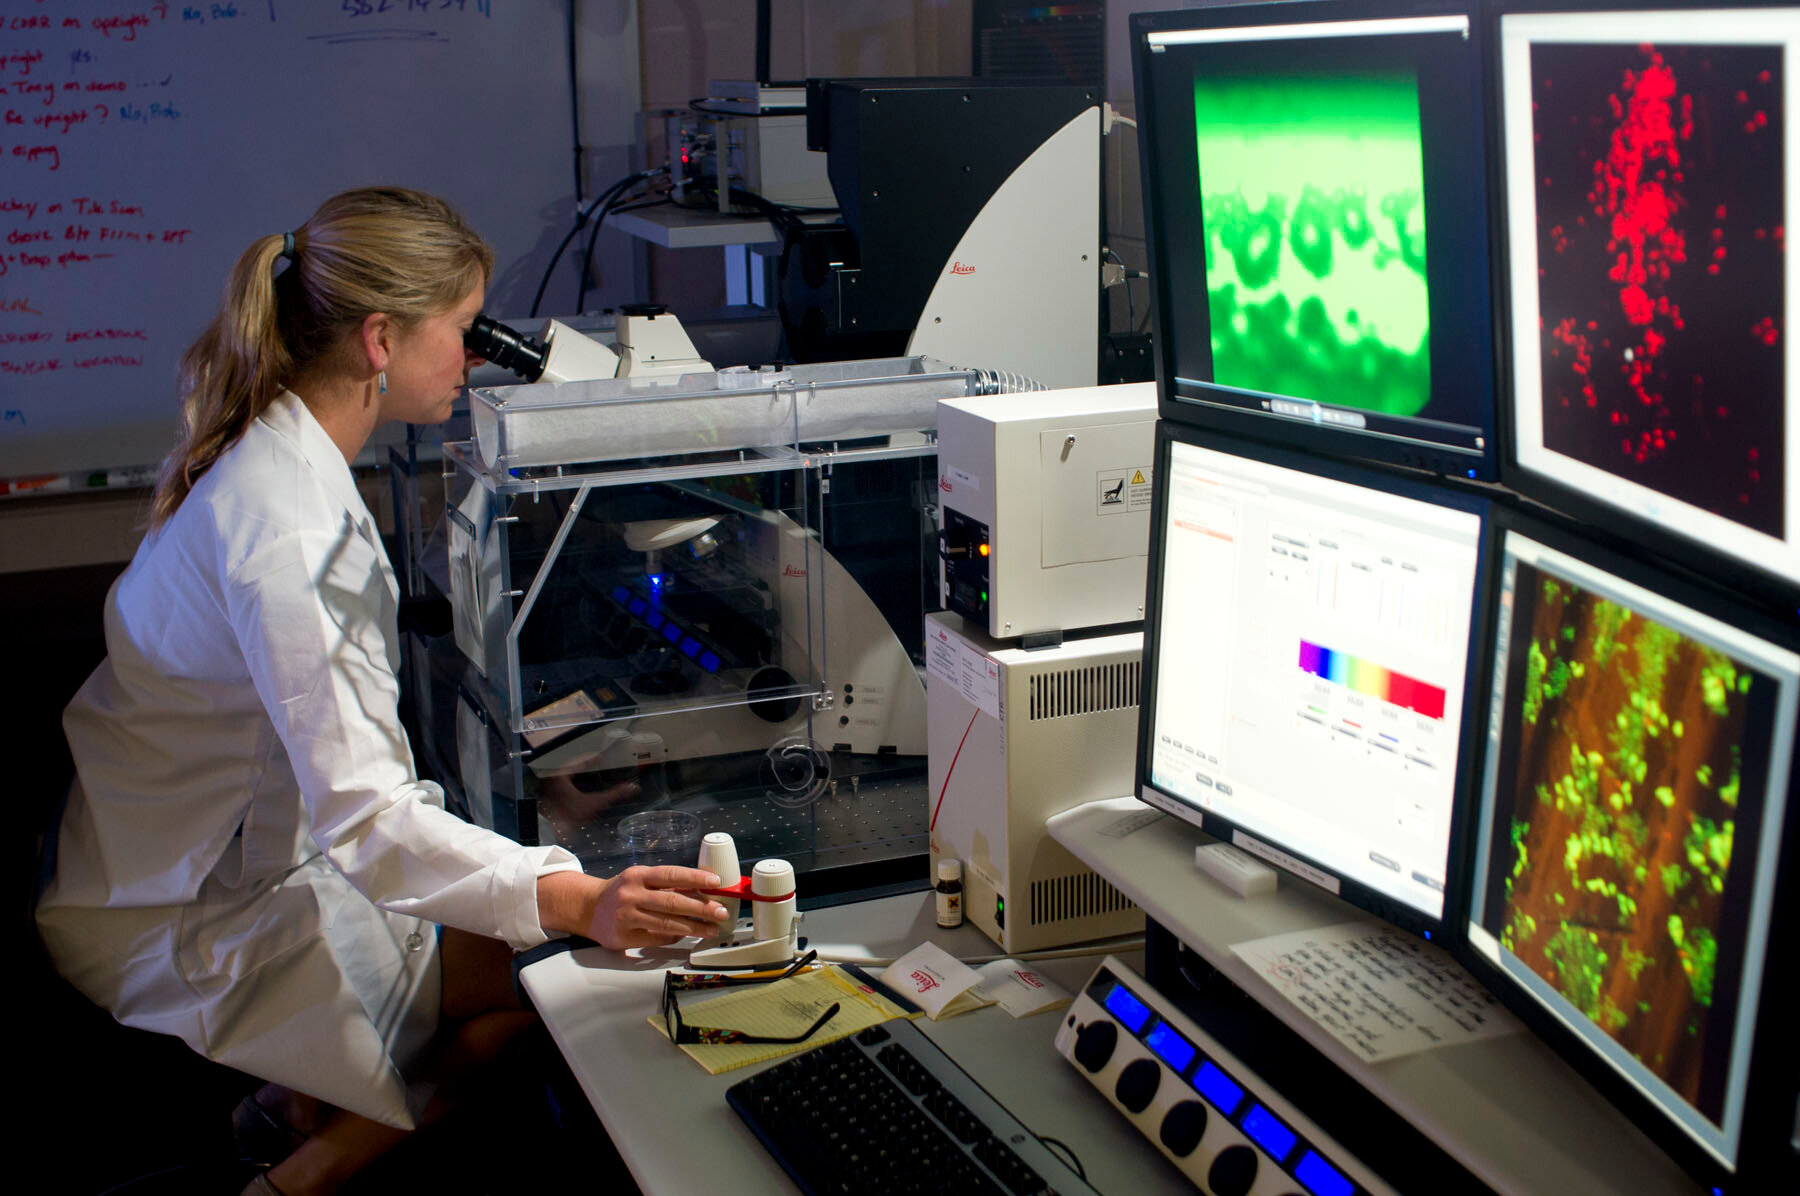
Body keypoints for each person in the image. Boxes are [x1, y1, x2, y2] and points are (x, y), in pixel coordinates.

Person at [33, 187, 730, 1195]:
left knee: (529, 970)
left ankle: (293, 1108)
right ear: (377, 339)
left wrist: (543, 832)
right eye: (460, 329)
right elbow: (364, 814)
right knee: (558, 982)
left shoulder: (277, 458)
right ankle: (297, 1173)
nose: (474, 355)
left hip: (232, 861)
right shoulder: (286, 527)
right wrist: (581, 893)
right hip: (189, 914)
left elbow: (320, 765)